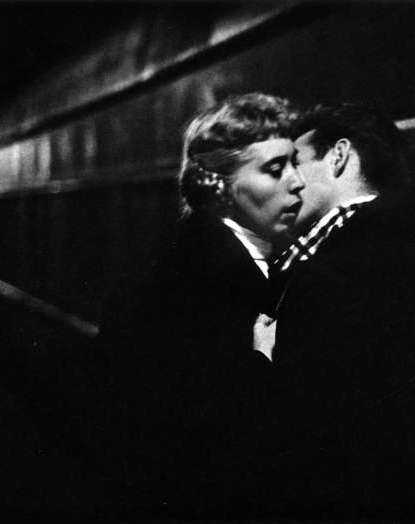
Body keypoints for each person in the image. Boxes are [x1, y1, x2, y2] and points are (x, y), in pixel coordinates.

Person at [261, 103, 415, 518]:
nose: (286, 181)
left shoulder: (349, 263)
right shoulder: (394, 244)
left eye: (296, 162)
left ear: (339, 156)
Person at [95, 92, 305, 519]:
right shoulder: (204, 279)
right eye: (275, 169)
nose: (297, 182)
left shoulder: (204, 258)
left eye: (295, 164)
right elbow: (213, 425)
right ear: (219, 185)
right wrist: (262, 359)